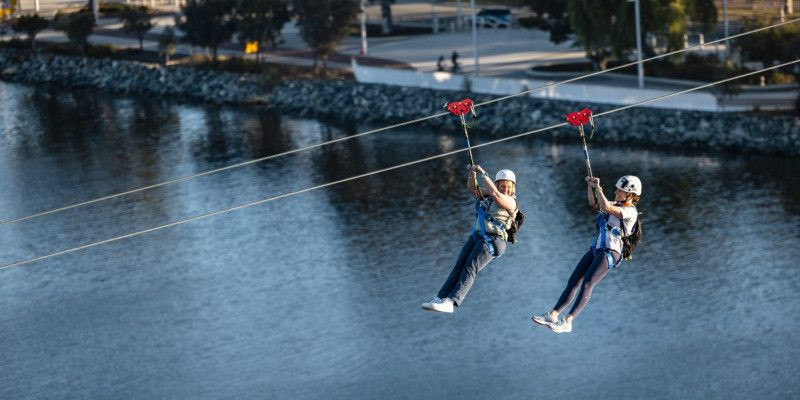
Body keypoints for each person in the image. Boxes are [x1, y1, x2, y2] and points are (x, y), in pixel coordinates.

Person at [531, 175, 642, 333]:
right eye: (617, 189)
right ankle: (553, 315)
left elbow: (609, 209)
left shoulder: (630, 211)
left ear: (630, 194)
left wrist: (599, 189)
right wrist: (591, 187)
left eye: (620, 190)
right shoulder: (615, 203)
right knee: (574, 280)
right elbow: (595, 204)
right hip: (597, 247)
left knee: (588, 283)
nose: (616, 191)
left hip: (611, 251)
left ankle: (568, 321)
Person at [422, 165, 519, 313]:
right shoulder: (491, 196)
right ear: (497, 185)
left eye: (508, 186)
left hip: (494, 240)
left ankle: (452, 301)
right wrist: (472, 174)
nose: (505, 189)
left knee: (470, 267)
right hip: (478, 237)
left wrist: (484, 173)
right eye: (502, 185)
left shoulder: (511, 202)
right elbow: (474, 190)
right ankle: (440, 298)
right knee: (459, 265)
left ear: (513, 188)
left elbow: (498, 196)